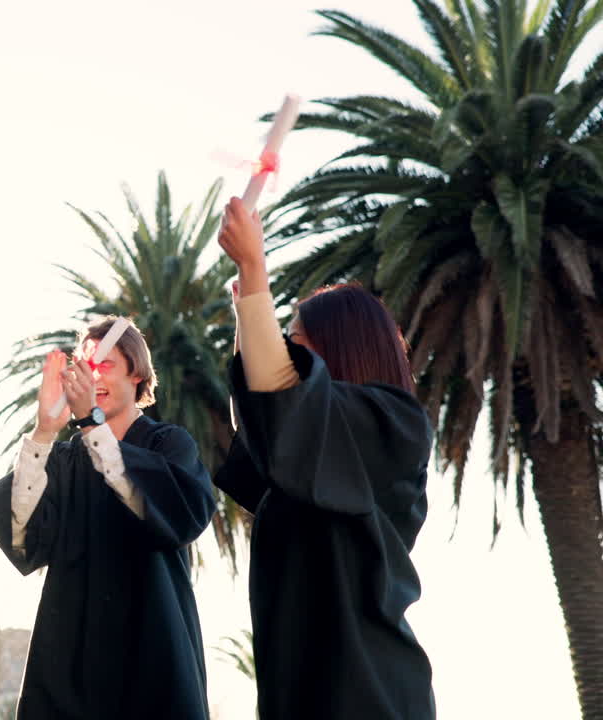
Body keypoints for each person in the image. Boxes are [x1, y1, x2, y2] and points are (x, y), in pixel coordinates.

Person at [215, 197, 435, 720]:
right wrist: (249, 306)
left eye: (295, 342)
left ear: (337, 349)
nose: (284, 352)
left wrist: (254, 272)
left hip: (367, 690)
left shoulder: (393, 426)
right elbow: (265, 417)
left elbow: (284, 398)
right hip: (299, 690)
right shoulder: (301, 452)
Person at [0, 316, 216, 720]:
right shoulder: (63, 460)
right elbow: (22, 533)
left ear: (138, 373)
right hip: (72, 662)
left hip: (153, 650)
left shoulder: (168, 444)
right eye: (85, 364)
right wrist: (43, 432)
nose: (92, 375)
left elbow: (180, 515)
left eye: (106, 363)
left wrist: (93, 425)